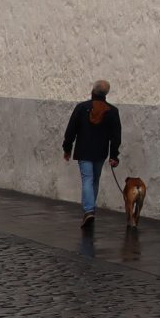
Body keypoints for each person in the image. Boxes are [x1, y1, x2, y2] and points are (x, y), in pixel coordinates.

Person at [60, 80, 123, 232]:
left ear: (93, 92)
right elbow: (116, 136)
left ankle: (89, 211)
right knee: (94, 180)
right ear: (106, 94)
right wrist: (114, 155)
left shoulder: (82, 108)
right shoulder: (112, 111)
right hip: (100, 152)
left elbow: (71, 131)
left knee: (87, 180)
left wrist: (67, 148)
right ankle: (90, 209)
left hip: (84, 150)